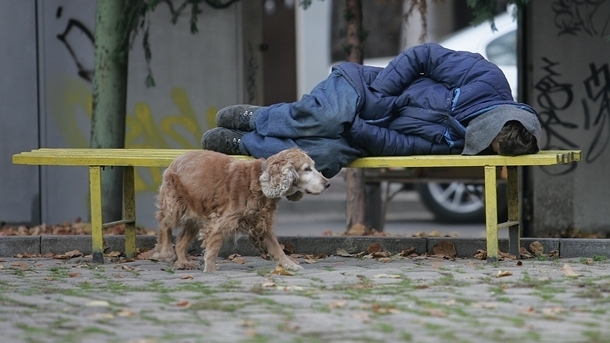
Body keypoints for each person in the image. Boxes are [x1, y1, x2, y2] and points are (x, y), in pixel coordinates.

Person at [202, 43, 541, 178]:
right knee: (327, 117)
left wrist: (361, 132)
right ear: (496, 116)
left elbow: (403, 145)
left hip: (364, 133)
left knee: (325, 157)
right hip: (361, 89)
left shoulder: (461, 143)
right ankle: (256, 119)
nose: (475, 142)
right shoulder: (485, 77)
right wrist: (382, 92)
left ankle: (244, 144)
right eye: (483, 137)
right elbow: (422, 56)